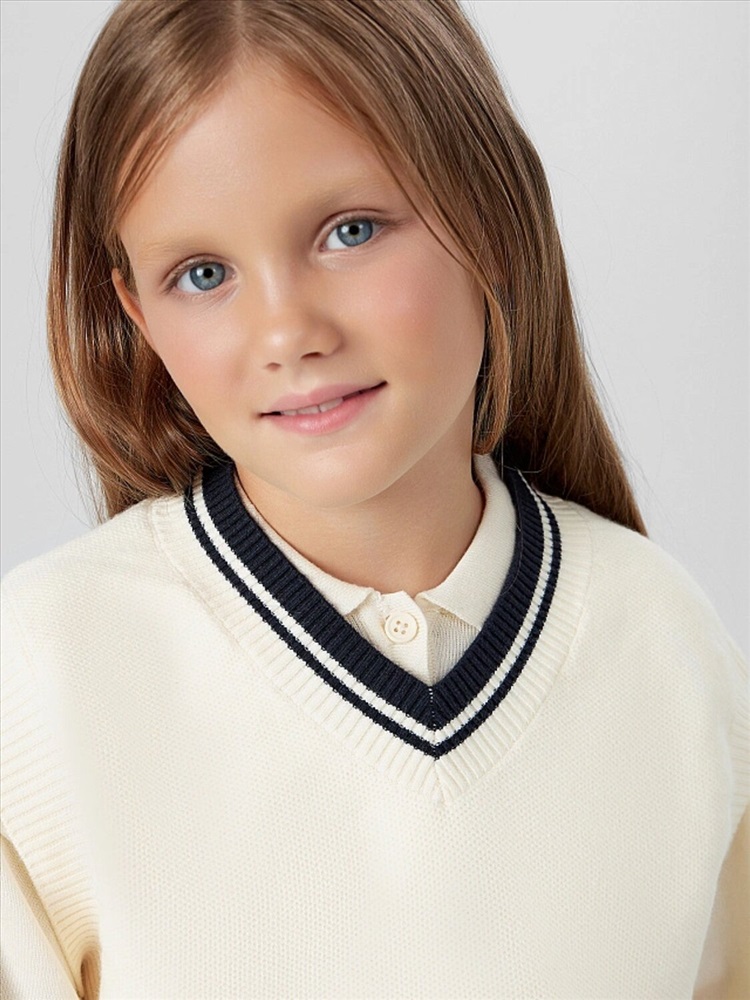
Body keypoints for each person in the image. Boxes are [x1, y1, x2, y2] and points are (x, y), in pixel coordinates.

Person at [1, 0, 746, 996]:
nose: (288, 332)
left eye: (349, 232)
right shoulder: (41, 677)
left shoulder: (663, 643)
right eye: (203, 273)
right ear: (134, 310)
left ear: (488, 212)